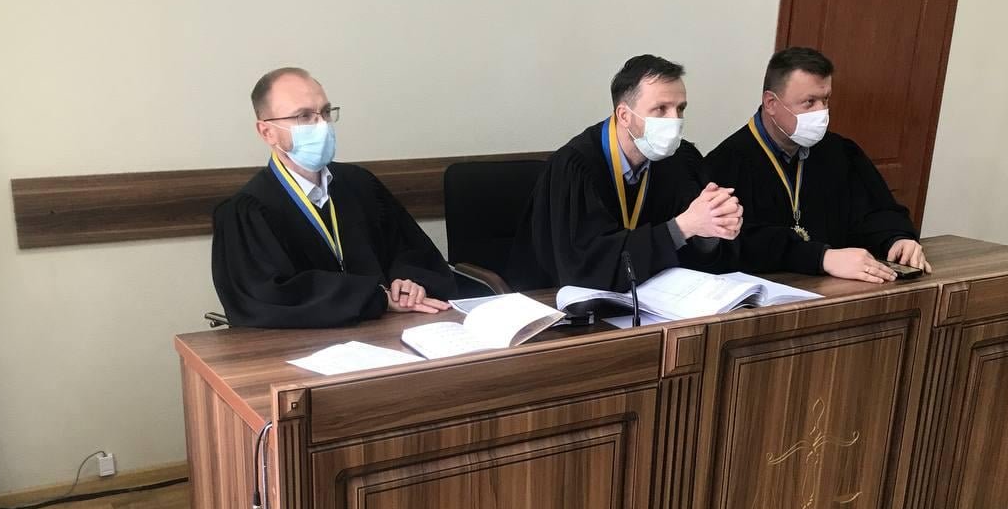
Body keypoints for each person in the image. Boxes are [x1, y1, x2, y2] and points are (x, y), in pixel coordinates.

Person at [211, 67, 455, 327]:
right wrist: (377, 298)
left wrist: (408, 282)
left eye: (326, 112)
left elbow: (413, 251)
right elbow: (267, 298)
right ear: (267, 132)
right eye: (304, 116)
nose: (321, 125)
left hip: (390, 331)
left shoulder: (361, 184)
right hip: (306, 345)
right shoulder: (247, 212)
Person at [507, 54, 741, 291]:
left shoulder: (681, 160)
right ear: (624, 116)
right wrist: (681, 228)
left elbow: (699, 257)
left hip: (659, 298)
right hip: (559, 302)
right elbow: (585, 268)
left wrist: (712, 229)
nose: (675, 120)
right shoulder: (574, 167)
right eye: (661, 109)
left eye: (680, 108)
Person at [706, 47, 928, 284]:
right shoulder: (726, 163)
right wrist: (820, 257)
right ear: (771, 103)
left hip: (840, 288)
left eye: (825, 99)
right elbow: (737, 244)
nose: (821, 112)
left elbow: (875, 211)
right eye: (809, 102)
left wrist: (897, 238)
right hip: (769, 292)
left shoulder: (840, 151)